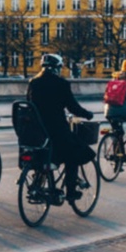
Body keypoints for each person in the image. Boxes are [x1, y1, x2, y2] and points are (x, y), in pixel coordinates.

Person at [27, 54, 95, 202]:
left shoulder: (33, 82)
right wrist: (87, 114)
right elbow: (72, 106)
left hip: (37, 131)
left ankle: (39, 181)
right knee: (74, 155)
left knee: (48, 153)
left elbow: (29, 104)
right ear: (57, 68)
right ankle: (71, 191)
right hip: (57, 130)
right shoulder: (62, 84)